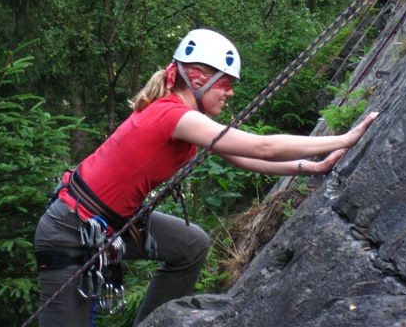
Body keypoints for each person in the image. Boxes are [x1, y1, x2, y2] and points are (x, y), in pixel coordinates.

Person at [33, 28, 378, 326]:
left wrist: (311, 167)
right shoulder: (174, 116)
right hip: (69, 231)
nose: (230, 93)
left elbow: (245, 158)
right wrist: (345, 139)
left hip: (106, 223)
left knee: (190, 244)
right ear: (198, 79)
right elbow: (263, 147)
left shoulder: (185, 119)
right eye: (224, 84)